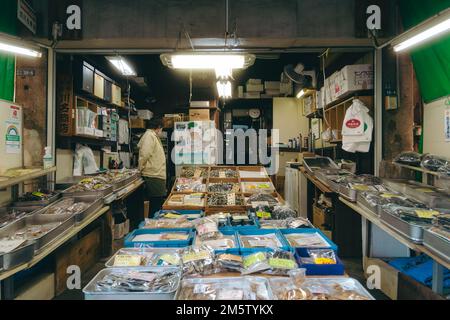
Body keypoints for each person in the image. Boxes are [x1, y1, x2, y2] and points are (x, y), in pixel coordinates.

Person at [137, 117, 167, 218]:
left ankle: (154, 224)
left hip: (157, 175)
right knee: (156, 205)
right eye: (162, 129)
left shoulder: (153, 136)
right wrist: (139, 169)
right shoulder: (149, 136)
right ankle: (152, 225)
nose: (161, 131)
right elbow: (144, 155)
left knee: (157, 204)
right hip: (153, 175)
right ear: (158, 127)